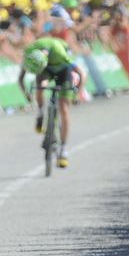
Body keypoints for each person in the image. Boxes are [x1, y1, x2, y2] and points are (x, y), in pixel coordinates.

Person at [18, 15, 83, 169]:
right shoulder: (29, 53)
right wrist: (28, 94)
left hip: (61, 68)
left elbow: (79, 73)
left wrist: (76, 93)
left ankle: (64, 149)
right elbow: (21, 79)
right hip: (46, 68)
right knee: (40, 85)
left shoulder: (59, 52)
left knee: (64, 108)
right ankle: (41, 113)